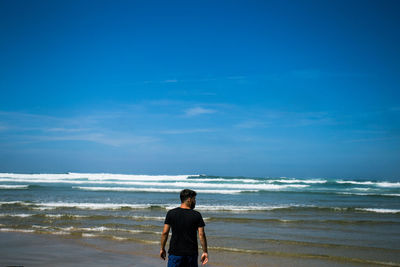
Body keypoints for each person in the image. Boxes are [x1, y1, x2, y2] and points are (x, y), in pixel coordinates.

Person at [160, 189, 209, 267]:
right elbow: (201, 234)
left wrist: (162, 248)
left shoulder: (171, 213)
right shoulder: (196, 215)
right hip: (191, 254)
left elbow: (165, 233)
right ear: (189, 199)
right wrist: (205, 251)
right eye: (194, 199)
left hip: (175, 253)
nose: (195, 201)